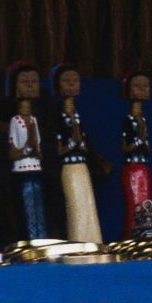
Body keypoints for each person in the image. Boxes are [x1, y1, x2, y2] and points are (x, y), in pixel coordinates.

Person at [51, 64, 101, 243]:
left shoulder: (77, 116)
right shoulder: (58, 117)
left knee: (87, 202)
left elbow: (85, 145)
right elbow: (58, 148)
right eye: (66, 81)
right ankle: (77, 239)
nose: (71, 85)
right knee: (75, 204)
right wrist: (74, 143)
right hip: (69, 167)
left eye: (75, 81)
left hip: (82, 165)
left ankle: (92, 240)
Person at [6, 61, 47, 240]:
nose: (30, 85)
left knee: (39, 206)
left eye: (34, 81)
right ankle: (31, 239)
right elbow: (13, 151)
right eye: (25, 82)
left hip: (35, 168)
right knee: (27, 206)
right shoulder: (16, 121)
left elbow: (37, 148)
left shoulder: (34, 120)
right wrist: (26, 150)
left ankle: (41, 238)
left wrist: (34, 150)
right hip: (22, 169)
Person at [120, 72, 152, 238]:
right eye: (137, 86)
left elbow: (147, 147)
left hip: (143, 166)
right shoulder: (128, 120)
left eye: (145, 86)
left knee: (146, 204)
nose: (142, 89)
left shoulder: (143, 121)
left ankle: (145, 235)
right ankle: (133, 237)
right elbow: (124, 147)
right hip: (132, 168)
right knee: (134, 206)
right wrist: (138, 143)